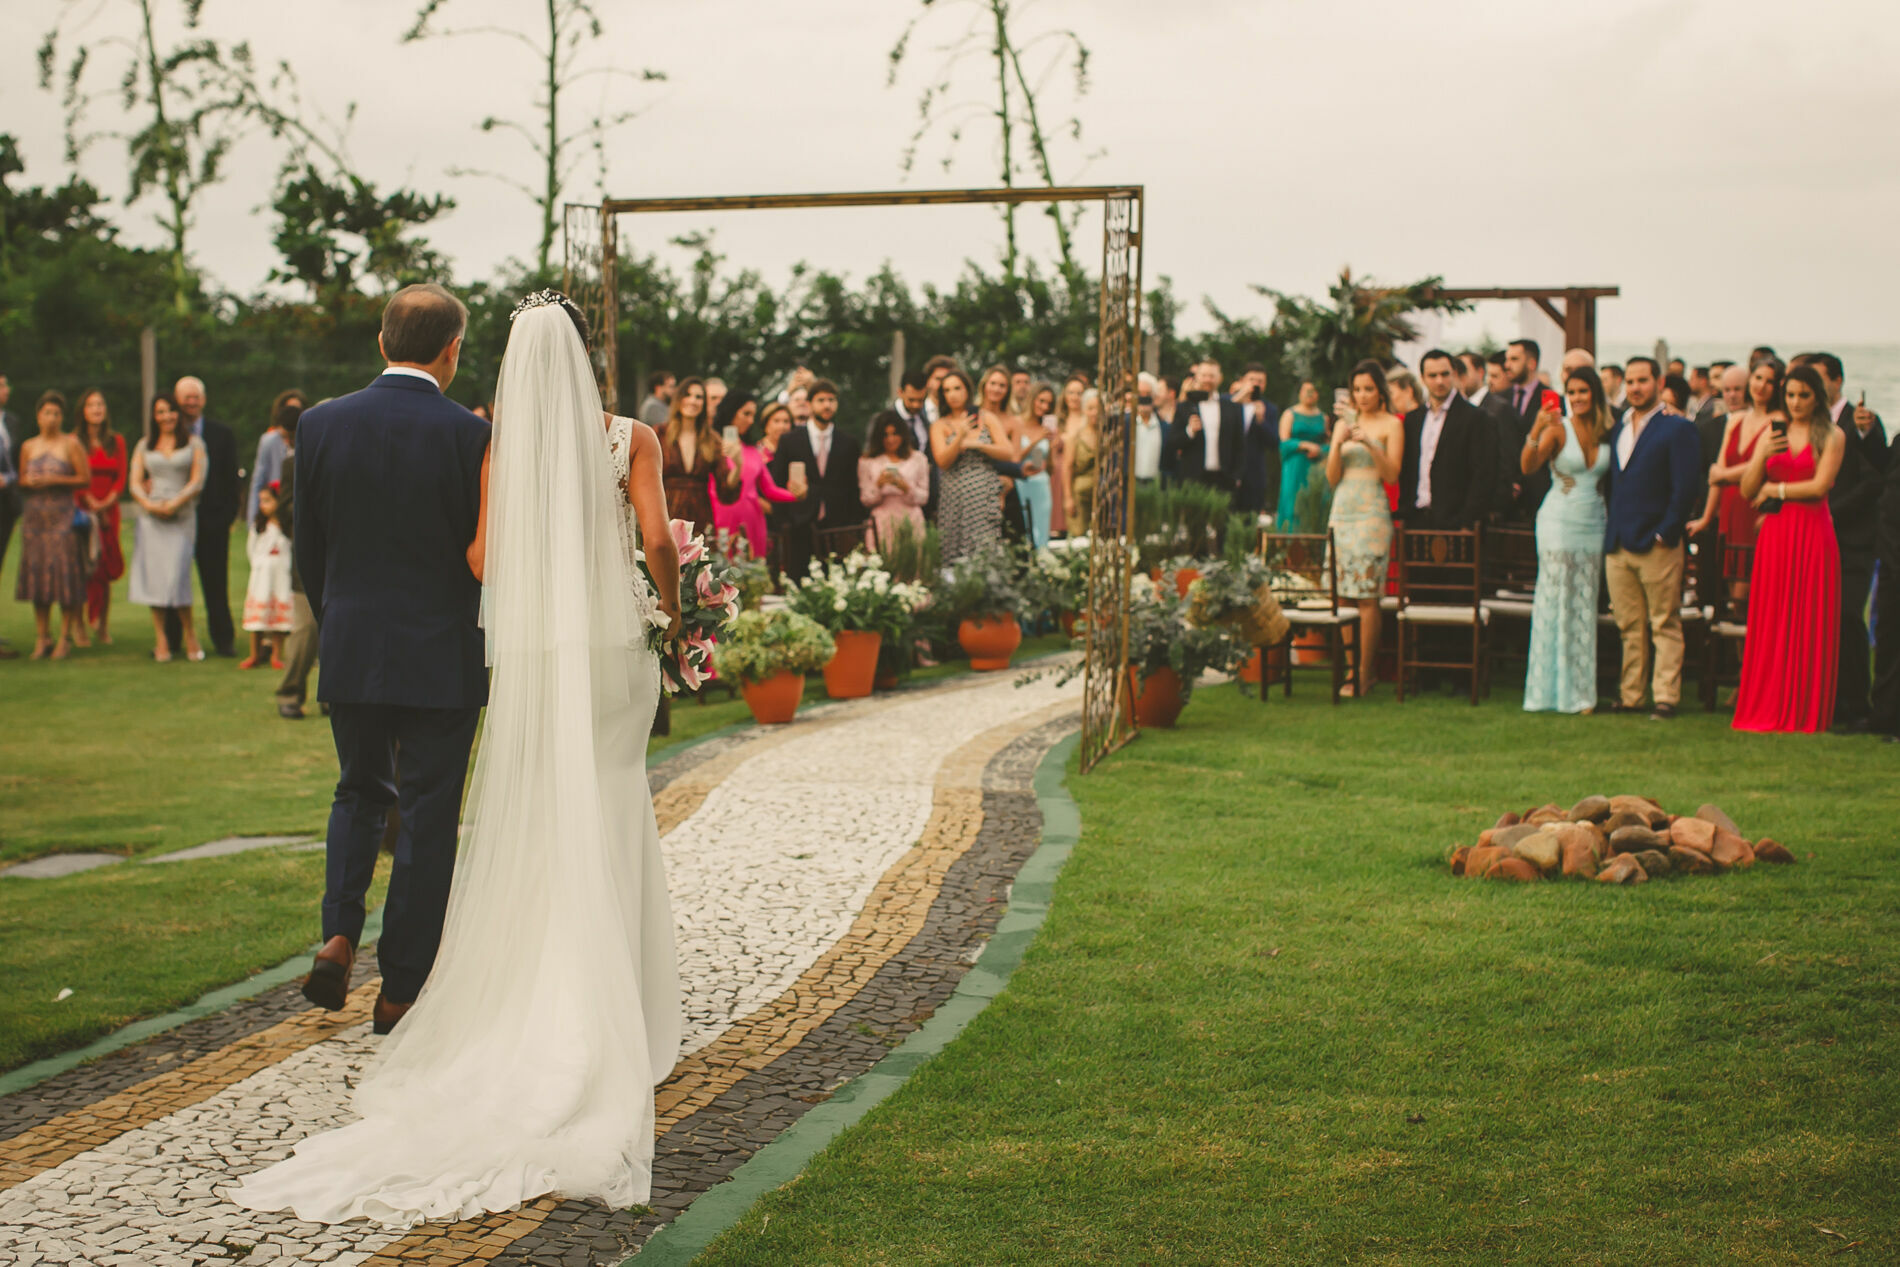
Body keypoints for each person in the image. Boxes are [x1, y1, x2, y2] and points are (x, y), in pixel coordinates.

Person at [231, 288, 682, 1228]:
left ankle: (366, 935)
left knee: (393, 795)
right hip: (533, 655)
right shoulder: (576, 435)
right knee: (524, 806)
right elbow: (636, 541)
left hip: (414, 645)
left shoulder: (443, 436)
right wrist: (660, 602)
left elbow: (442, 554)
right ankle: (448, 988)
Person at [280, 282, 492, 1043]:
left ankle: (338, 934)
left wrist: (340, 627)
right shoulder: (470, 436)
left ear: (381, 342)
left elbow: (309, 550)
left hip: (354, 645)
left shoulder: (322, 424)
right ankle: (400, 988)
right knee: (429, 821)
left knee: (358, 792)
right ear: (451, 351)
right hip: (441, 655)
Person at [1732, 365, 1844, 733]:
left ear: (1818, 398)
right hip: (1776, 535)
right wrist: (1762, 454)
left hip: (1812, 532)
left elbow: (1819, 486)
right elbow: (1748, 489)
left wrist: (1775, 491)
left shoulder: (1832, 435)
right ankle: (1767, 703)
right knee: (1772, 618)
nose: (1796, 403)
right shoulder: (1772, 433)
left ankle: (1804, 709)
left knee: (1807, 617)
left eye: (1804, 395)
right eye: (1791, 395)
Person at [1601, 357, 1701, 720]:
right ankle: (1630, 695)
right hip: (1618, 541)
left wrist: (1666, 531)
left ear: (1658, 382)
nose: (1635, 387)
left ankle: (1665, 697)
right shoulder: (1619, 426)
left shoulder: (1677, 428)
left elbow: (1686, 486)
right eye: (1629, 381)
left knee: (1664, 622)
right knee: (1628, 624)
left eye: (1642, 380)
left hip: (1658, 541)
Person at [1521, 369, 1613, 713]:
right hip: (1558, 520)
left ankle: (1581, 692)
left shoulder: (1608, 431)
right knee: (1556, 601)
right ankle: (1548, 692)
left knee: (1584, 605)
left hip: (1594, 522)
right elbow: (1528, 466)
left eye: (1583, 391)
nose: (1576, 398)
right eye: (1571, 392)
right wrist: (1536, 428)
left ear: (1595, 394)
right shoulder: (1558, 429)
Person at [1808, 352, 1888, 733]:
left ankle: (1857, 703)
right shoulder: (1808, 424)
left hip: (1851, 541)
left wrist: (1827, 511)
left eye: (1817, 380)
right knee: (1821, 620)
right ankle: (1828, 701)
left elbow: (1874, 480)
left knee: (1848, 617)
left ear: (1837, 381)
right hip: (1814, 539)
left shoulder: (1858, 422)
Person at [1325, 360, 1404, 699]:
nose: (1362, 395)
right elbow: (1331, 478)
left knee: (1368, 596)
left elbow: (1392, 474)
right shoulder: (1344, 423)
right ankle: (1348, 668)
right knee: (1342, 593)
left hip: (1372, 511)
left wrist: (1370, 442)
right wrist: (1336, 441)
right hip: (1342, 510)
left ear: (1380, 390)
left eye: (1369, 389)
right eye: (1357, 389)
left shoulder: (1391, 424)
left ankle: (1364, 672)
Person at [128, 394, 207, 662]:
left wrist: (175, 503)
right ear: (154, 415)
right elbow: (135, 482)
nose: (166, 417)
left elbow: (197, 481)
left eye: (171, 411)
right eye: (160, 412)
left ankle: (190, 634)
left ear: (178, 414)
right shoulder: (144, 445)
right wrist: (149, 505)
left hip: (181, 516)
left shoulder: (194, 444)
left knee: (177, 576)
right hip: (152, 517)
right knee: (156, 578)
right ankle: (160, 639)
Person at [1692, 358, 1781, 594]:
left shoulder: (1781, 421)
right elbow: (1714, 477)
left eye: (1769, 381)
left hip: (1755, 509)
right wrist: (1706, 517)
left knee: (1749, 590)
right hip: (1728, 512)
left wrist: (1725, 475)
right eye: (1758, 378)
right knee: (1729, 591)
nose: (1761, 386)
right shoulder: (1737, 420)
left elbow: (1760, 466)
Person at [164, 376, 239, 656]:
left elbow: (232, 482)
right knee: (173, 583)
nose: (190, 402)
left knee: (216, 585)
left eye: (195, 397)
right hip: (174, 524)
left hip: (212, 524)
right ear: (176, 400)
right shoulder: (166, 434)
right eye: (185, 397)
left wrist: (226, 518)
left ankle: (224, 640)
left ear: (203, 401)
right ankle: (171, 642)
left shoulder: (222, 434)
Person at [14, 391, 91, 659]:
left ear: (62, 417)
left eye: (56, 413)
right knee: (38, 578)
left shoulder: (71, 445)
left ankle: (65, 636)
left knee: (64, 577)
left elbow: (85, 478)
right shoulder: (28, 446)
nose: (51, 418)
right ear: (38, 416)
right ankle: (42, 636)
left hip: (63, 517)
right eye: (47, 413)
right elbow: (21, 479)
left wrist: (54, 479)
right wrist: (30, 481)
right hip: (35, 519)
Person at [769, 377, 861, 578]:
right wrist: (784, 521)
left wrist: (853, 526)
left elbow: (853, 487)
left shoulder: (848, 442)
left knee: (837, 584)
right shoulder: (790, 440)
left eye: (831, 400)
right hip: (799, 523)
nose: (827, 405)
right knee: (799, 583)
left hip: (836, 525)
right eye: (821, 400)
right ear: (809, 404)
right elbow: (776, 482)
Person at [1399, 351, 1491, 530]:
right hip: (1417, 518)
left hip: (1456, 523)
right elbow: (1408, 469)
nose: (1439, 381)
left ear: (1454, 374)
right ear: (1423, 378)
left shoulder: (1475, 417)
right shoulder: (1413, 420)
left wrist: (1467, 520)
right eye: (1432, 376)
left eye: (1444, 374)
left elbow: (1483, 474)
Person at [932, 369, 1012, 562]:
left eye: (957, 388)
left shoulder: (987, 418)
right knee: (954, 547)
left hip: (983, 494)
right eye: (947, 390)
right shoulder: (939, 425)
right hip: (955, 495)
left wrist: (978, 444)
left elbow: (1008, 452)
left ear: (967, 390)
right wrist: (960, 436)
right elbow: (942, 461)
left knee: (985, 547)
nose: (953, 394)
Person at [712, 395, 802, 560]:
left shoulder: (753, 452)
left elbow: (769, 489)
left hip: (753, 520)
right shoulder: (713, 447)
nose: (751, 420)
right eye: (746, 414)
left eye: (753, 415)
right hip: (721, 519)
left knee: (753, 574)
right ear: (731, 412)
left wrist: (797, 495)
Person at [75, 388, 128, 644]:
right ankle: (79, 625)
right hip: (82, 511)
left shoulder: (116, 441)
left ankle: (103, 626)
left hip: (109, 511)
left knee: (105, 569)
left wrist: (105, 503)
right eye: (91, 405)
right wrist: (90, 503)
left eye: (100, 404)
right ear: (82, 411)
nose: (97, 409)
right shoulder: (74, 441)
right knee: (82, 566)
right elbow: (74, 476)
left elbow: (121, 479)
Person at [274, 450, 320, 720]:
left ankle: (333, 698)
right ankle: (290, 693)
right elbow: (284, 510)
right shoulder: (295, 462)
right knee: (306, 629)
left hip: (352, 558)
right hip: (309, 556)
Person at [1167, 360, 1244, 497]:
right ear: (1197, 377)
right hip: (1192, 478)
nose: (1208, 380)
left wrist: (1236, 476)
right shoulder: (1184, 407)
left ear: (1219, 378)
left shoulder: (1232, 407)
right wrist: (1189, 431)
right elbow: (1172, 442)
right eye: (1204, 375)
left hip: (1223, 480)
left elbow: (1240, 445)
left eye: (1212, 376)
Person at [858, 411, 930, 549]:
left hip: (911, 520)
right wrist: (879, 484)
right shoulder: (867, 461)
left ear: (903, 434)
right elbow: (865, 499)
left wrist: (905, 487)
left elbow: (924, 497)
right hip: (881, 522)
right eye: (885, 435)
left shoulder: (918, 459)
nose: (890, 439)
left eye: (895, 434)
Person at [240, 482, 293, 670]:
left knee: (278, 619)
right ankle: (255, 654)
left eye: (268, 501)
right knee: (259, 619)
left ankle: (277, 655)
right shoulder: (259, 526)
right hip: (262, 576)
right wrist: (258, 566)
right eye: (261, 501)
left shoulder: (286, 527)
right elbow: (251, 549)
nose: (263, 505)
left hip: (280, 575)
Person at [658, 376, 717, 532]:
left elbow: (727, 491)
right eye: (687, 395)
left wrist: (737, 463)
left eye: (699, 397)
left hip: (700, 516)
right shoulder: (659, 433)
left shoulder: (712, 439)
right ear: (678, 399)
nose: (693, 401)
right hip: (666, 512)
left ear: (704, 404)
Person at [1503, 339, 1553, 520]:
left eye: (1514, 359)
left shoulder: (1551, 399)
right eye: (1507, 359)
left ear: (1532, 363)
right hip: (1506, 496)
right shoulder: (1499, 399)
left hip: (1538, 492)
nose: (1507, 365)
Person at [1276, 381, 1328, 531]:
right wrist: (1304, 445)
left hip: (1316, 465)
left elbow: (1328, 443)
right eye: (1307, 390)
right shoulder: (1290, 414)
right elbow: (1284, 443)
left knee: (1316, 503)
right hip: (1296, 465)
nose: (1310, 394)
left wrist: (1319, 450)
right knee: (1293, 502)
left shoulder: (1323, 417)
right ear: (1300, 393)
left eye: (1313, 391)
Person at [248, 390, 304, 526]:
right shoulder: (270, 440)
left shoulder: (308, 440)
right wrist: (252, 519)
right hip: (275, 511)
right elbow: (258, 480)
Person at [1234, 362, 1281, 516]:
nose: (1255, 384)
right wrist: (1238, 399)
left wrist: (1261, 420)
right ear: (1242, 381)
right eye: (1252, 380)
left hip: (1254, 474)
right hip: (1229, 472)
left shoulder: (1270, 408)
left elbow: (1274, 442)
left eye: (1260, 381)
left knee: (1251, 520)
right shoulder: (1230, 403)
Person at [1014, 378, 1057, 545]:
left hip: (1040, 484)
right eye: (1041, 401)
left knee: (1041, 533)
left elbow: (1044, 466)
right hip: (1021, 484)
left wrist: (1051, 447)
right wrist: (1035, 439)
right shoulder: (1017, 423)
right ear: (1033, 399)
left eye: (1049, 404)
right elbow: (1015, 458)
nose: (1045, 407)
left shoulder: (1045, 428)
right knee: (1023, 532)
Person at [1063, 387, 1106, 535]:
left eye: (1098, 408)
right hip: (1079, 496)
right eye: (1090, 408)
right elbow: (1067, 468)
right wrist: (1068, 498)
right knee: (1078, 537)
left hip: (1102, 496)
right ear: (1084, 410)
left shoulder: (1107, 437)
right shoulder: (1075, 437)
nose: (1094, 412)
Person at [1132, 377, 1167, 487]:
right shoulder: (1125, 424)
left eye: (1148, 393)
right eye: (1140, 393)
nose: (1144, 397)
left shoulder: (1163, 426)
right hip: (1130, 485)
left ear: (1154, 397)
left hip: (1155, 486)